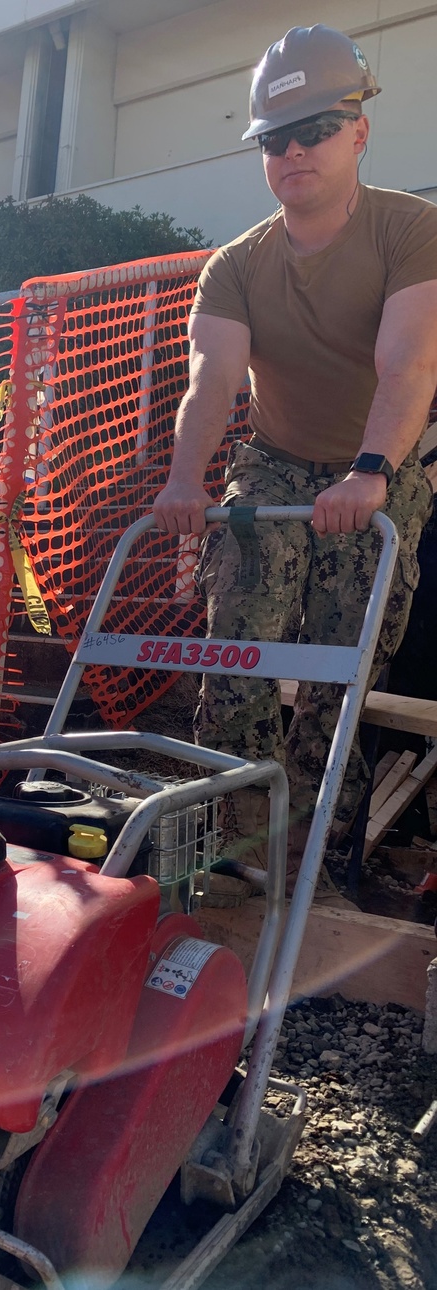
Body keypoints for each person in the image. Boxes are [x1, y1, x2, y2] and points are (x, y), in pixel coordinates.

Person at [151, 25, 437, 893]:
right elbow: (210, 385)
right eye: (275, 138)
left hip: (377, 461)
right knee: (236, 645)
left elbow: (409, 364)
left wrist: (372, 471)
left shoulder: (411, 230)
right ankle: (235, 843)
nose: (294, 151)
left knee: (343, 665)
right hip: (274, 461)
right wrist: (184, 482)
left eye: (314, 128)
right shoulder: (235, 267)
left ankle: (311, 854)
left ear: (358, 130)